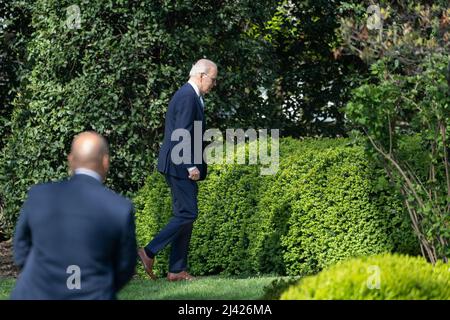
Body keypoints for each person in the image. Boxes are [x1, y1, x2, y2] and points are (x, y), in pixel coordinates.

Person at [11, 131, 137, 299]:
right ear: (106, 162)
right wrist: (101, 285)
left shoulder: (39, 196)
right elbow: (125, 266)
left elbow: (21, 248)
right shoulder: (120, 208)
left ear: (71, 160)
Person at [138, 59, 218, 281]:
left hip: (178, 163)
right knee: (188, 213)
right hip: (179, 164)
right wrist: (190, 165)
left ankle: (176, 270)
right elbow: (180, 133)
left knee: (185, 215)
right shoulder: (187, 96)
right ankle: (148, 252)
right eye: (213, 79)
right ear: (201, 75)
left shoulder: (193, 96)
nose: (214, 84)